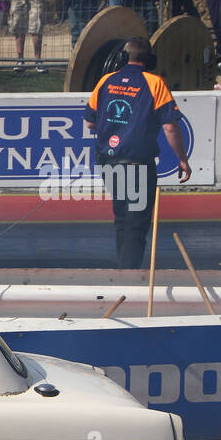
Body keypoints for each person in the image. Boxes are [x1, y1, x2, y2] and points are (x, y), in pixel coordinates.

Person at [84, 37, 191, 269]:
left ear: (123, 57)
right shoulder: (155, 83)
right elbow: (170, 126)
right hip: (138, 164)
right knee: (135, 223)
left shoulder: (106, 80)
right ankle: (129, 276)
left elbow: (90, 123)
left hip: (107, 161)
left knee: (122, 218)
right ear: (150, 59)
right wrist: (182, 159)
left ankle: (124, 270)